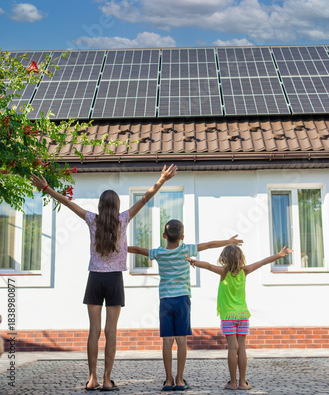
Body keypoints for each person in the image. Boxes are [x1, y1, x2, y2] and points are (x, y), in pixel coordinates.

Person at [30, 164, 178, 392]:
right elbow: (145, 199)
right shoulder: (124, 218)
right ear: (117, 206)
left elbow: (69, 203)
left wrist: (47, 188)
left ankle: (92, 378)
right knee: (111, 332)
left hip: (95, 279)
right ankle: (107, 379)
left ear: (100, 206)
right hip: (114, 280)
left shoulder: (92, 220)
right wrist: (162, 180)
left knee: (94, 331)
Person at [128, 219, 243, 391]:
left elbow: (137, 249)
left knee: (167, 340)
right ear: (182, 237)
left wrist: (117, 247)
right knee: (181, 340)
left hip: (166, 300)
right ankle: (180, 380)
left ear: (164, 236)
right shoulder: (186, 250)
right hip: (182, 299)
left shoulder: (158, 252)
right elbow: (209, 245)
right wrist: (229, 242)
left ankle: (168, 381)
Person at [186, 245, 293, 391]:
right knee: (241, 347)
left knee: (232, 347)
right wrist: (279, 255)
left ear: (224, 258)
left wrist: (193, 261)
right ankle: (243, 382)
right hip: (242, 314)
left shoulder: (223, 272)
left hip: (228, 315)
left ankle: (233, 382)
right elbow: (262, 262)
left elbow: (209, 266)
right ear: (240, 258)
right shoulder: (245, 271)